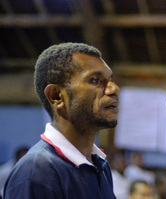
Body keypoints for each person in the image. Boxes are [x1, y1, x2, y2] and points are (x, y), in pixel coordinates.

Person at [3, 42, 120, 199]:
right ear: (56, 96)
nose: (114, 89)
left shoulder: (100, 165)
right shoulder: (37, 172)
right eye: (95, 80)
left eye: (110, 79)